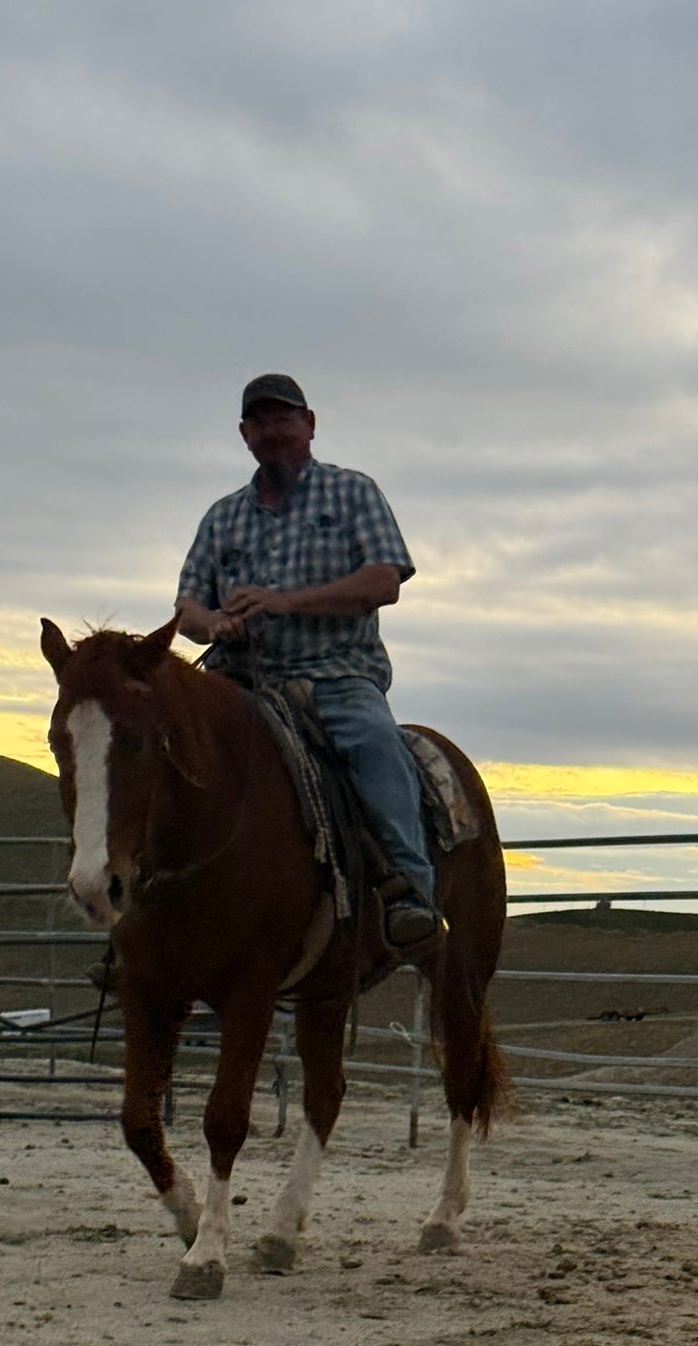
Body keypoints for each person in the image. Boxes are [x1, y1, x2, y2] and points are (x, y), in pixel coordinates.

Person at [174, 373, 441, 953]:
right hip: (239, 677)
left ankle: (409, 891)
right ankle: (142, 909)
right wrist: (214, 623)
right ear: (244, 434)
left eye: (284, 420)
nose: (273, 432)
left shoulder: (352, 493)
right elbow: (188, 606)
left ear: (310, 425)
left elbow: (383, 581)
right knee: (166, 751)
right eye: (261, 423)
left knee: (373, 741)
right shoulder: (222, 517)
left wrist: (283, 602)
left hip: (334, 674)